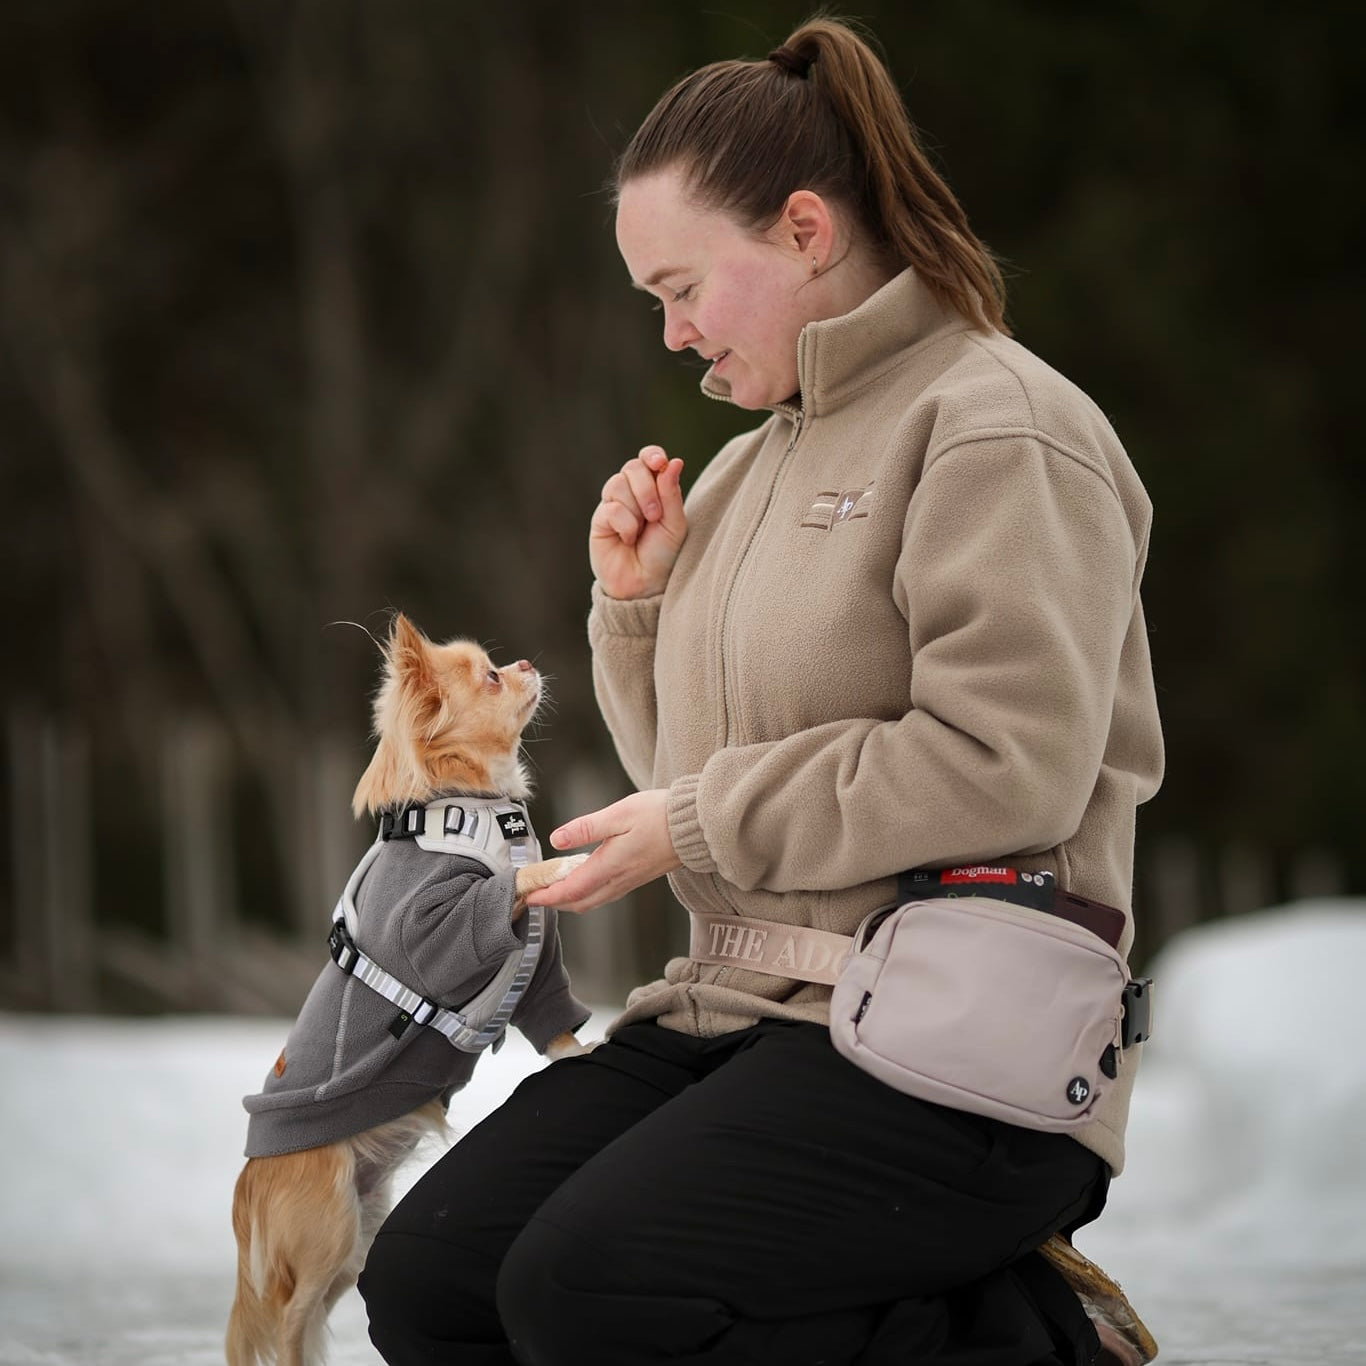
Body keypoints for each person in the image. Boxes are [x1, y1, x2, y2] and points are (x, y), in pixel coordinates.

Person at [358, 16, 1164, 1366]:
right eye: (648, 303)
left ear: (802, 229)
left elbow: (1002, 760)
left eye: (682, 287)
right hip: (735, 1008)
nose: (671, 335)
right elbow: (694, 783)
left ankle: (1025, 1339)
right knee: (435, 1282)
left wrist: (696, 820)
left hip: (954, 1046)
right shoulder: (739, 472)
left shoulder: (995, 426)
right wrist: (638, 609)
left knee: (589, 1289)